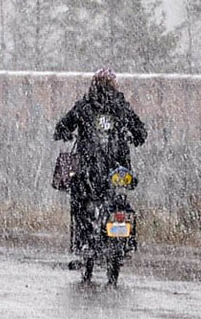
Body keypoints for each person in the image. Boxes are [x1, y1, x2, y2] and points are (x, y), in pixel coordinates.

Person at [54, 68, 148, 263]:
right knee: (118, 200)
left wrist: (66, 134)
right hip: (118, 170)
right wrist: (134, 137)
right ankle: (124, 240)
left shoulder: (85, 106)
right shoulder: (121, 106)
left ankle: (84, 242)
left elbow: (63, 126)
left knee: (80, 203)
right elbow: (140, 131)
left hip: (88, 169)